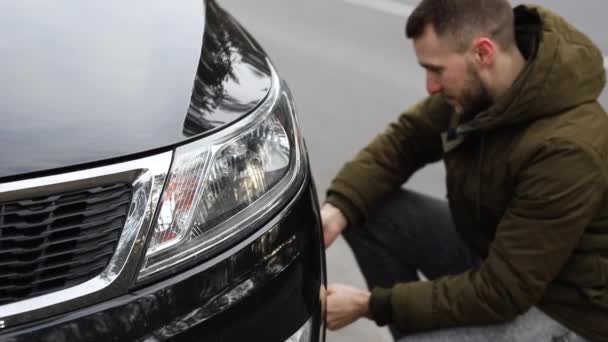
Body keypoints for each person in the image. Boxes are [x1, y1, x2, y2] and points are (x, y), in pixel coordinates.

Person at [321, 1, 608, 341]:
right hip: (493, 252)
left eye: (436, 70)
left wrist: (371, 305)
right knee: (365, 210)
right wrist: (338, 208)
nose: (430, 86)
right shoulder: (480, 92)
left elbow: (502, 292)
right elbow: (406, 140)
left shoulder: (566, 149)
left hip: (562, 308)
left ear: (482, 53)